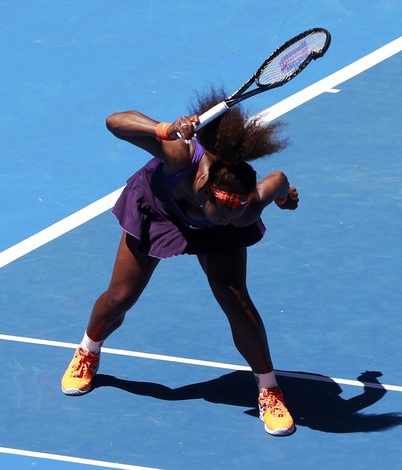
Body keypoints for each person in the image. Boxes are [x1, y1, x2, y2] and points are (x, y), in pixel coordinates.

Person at [61, 89, 299, 436]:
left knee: (236, 300)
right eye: (224, 215)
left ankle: (269, 389)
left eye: (238, 214)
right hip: (161, 213)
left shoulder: (239, 212)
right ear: (203, 187)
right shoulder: (178, 156)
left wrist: (282, 199)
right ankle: (87, 351)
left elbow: (277, 180)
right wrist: (162, 129)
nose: (229, 221)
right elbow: (114, 122)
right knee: (120, 297)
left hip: (209, 230)